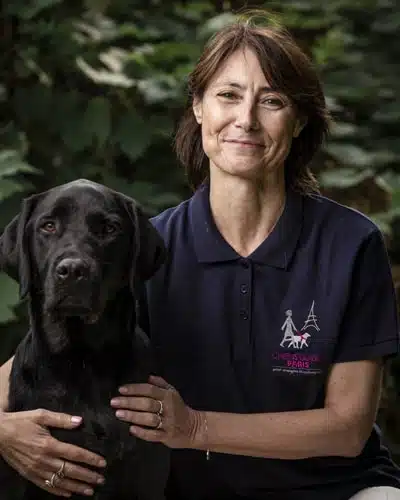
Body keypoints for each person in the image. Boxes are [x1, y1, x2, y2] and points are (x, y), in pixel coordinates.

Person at [1, 12, 400, 500]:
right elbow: (26, 365)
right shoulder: (142, 248)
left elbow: (347, 427)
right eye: (228, 95)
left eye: (271, 101)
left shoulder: (350, 243)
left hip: (340, 491)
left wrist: (195, 428)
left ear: (297, 122)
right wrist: (2, 433)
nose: (246, 120)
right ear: (198, 108)